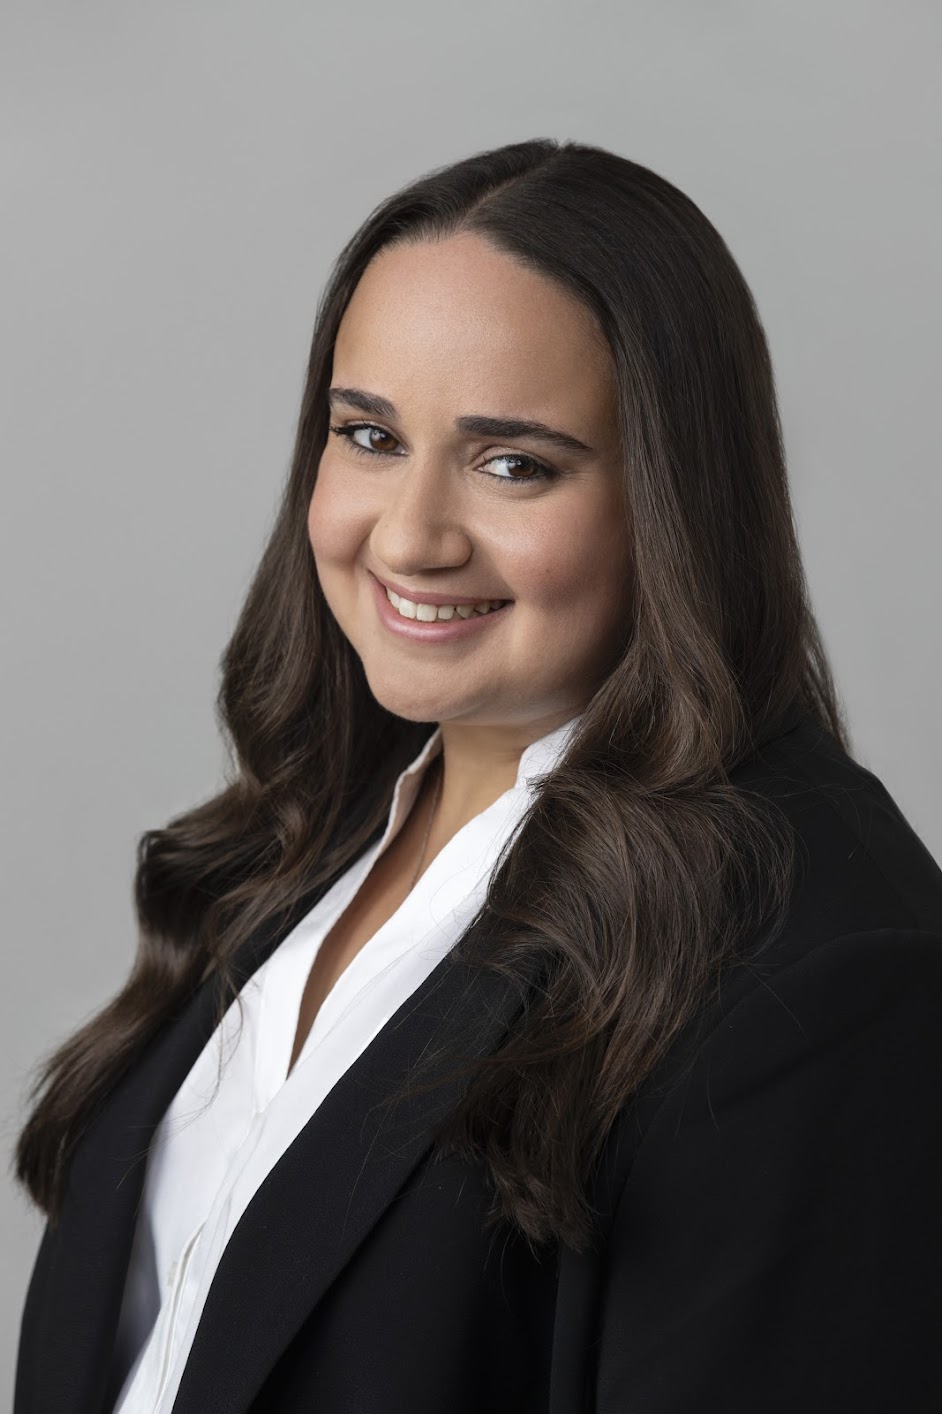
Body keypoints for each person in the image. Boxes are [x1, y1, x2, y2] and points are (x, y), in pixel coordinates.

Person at [13, 138, 942, 1414]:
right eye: (369, 435)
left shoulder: (823, 969)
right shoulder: (301, 842)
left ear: (675, 495)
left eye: (516, 464)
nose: (410, 536)